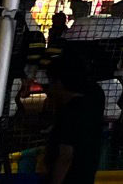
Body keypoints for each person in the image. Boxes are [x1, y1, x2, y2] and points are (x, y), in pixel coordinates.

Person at [43, 52, 103, 184]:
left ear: (59, 83)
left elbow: (65, 156)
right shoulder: (93, 101)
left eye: (51, 82)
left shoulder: (70, 112)